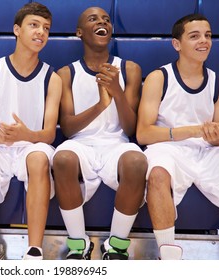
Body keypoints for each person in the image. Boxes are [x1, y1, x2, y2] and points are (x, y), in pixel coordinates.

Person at [0, 2, 62, 260]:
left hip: (32, 145)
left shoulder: (52, 78)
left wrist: (25, 135)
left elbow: (49, 133)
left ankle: (34, 249)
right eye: (34, 25)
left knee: (39, 158)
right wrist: (2, 136)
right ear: (16, 29)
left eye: (46, 28)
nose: (41, 32)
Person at [51, 7, 147, 260]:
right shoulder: (66, 73)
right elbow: (69, 129)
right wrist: (101, 106)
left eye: (106, 19)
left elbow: (131, 129)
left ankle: (116, 246)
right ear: (80, 32)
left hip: (117, 142)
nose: (102, 22)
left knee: (137, 162)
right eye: (93, 19)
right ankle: (78, 244)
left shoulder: (130, 70)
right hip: (81, 143)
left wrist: (117, 92)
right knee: (61, 159)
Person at [136, 14, 219, 260]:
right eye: (195, 36)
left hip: (206, 151)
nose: (204, 41)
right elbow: (143, 133)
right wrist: (194, 130)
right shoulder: (159, 78)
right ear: (177, 44)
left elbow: (217, 138)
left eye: (208, 36)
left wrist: (217, 135)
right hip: (167, 147)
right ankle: (168, 258)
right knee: (157, 174)